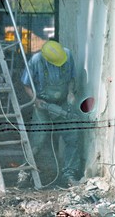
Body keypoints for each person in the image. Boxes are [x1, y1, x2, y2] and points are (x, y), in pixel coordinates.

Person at [21, 40, 81, 186]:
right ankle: (24, 172)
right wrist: (36, 101)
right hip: (43, 105)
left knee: (72, 137)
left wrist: (70, 93)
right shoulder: (36, 61)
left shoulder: (66, 55)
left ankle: (69, 174)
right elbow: (26, 84)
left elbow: (71, 78)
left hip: (62, 103)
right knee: (37, 141)